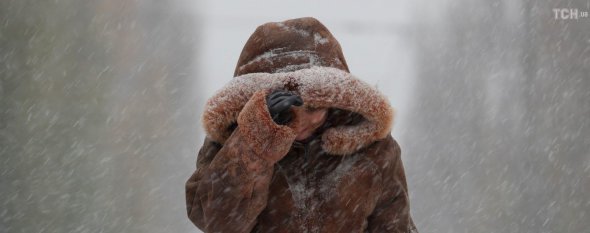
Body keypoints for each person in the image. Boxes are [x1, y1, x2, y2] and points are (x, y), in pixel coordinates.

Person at [185, 17, 418, 233]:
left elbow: (395, 226)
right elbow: (215, 221)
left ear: (336, 102)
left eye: (314, 107)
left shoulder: (372, 149)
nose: (305, 120)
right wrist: (257, 139)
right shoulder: (232, 141)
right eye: (287, 112)